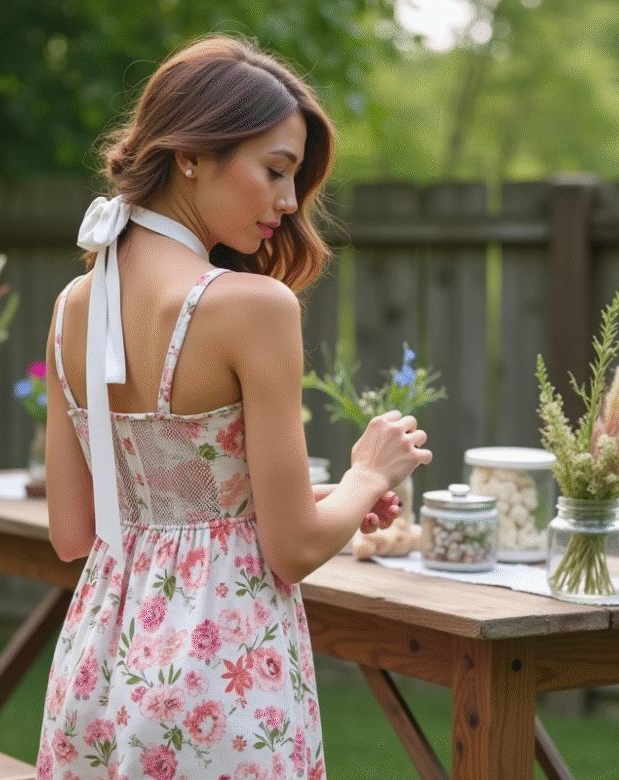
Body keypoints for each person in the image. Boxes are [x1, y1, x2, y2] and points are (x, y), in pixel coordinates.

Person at [37, 34, 432, 780]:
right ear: (192, 154)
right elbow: (294, 551)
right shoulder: (253, 306)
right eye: (277, 171)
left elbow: (74, 531)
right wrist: (365, 478)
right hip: (220, 673)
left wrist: (295, 500)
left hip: (103, 671)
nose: (289, 203)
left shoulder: (71, 306)